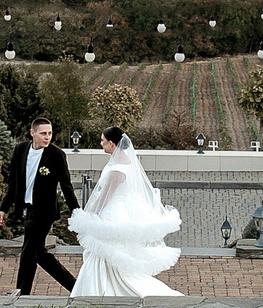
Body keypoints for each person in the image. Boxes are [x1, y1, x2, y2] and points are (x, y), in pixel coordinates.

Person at [69, 127, 182, 298]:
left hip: (111, 215)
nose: (101, 144)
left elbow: (104, 198)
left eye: (103, 141)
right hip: (118, 212)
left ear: (112, 144)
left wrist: (89, 215)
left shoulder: (117, 170)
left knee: (103, 253)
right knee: (105, 254)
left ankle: (99, 293)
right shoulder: (126, 162)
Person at [0, 115, 76, 294]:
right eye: (43, 133)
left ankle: (21, 293)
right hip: (29, 209)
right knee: (37, 253)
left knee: (28, 251)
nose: (47, 137)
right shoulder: (20, 150)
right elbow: (13, 183)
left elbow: (66, 185)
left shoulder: (56, 155)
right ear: (33, 133)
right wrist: (3, 208)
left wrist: (76, 212)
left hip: (45, 212)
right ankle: (75, 287)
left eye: (50, 133)